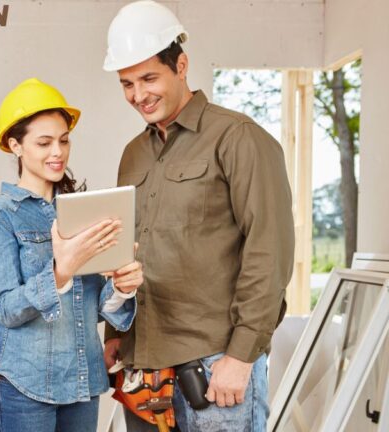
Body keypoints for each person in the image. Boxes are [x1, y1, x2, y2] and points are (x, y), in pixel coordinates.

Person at [100, 1, 295, 431]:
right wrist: (117, 335)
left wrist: (241, 356)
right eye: (127, 83)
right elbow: (126, 250)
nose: (138, 95)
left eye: (149, 78)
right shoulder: (134, 153)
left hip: (215, 364)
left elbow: (269, 250)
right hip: (144, 366)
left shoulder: (238, 138)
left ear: (182, 65)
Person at [0, 78, 144, 432]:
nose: (58, 152)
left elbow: (94, 307)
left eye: (63, 141)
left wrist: (123, 287)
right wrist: (60, 272)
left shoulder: (82, 211)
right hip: (24, 388)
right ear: (15, 146)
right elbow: (7, 309)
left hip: (81, 385)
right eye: (44, 142)